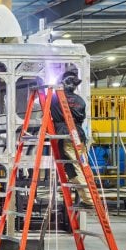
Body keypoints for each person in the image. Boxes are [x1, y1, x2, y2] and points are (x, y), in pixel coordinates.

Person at [50, 70, 92, 208]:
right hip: (79, 135)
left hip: (65, 135)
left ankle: (89, 199)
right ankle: (90, 196)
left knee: (74, 168)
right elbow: (81, 117)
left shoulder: (56, 98)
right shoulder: (80, 100)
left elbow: (44, 104)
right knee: (83, 165)